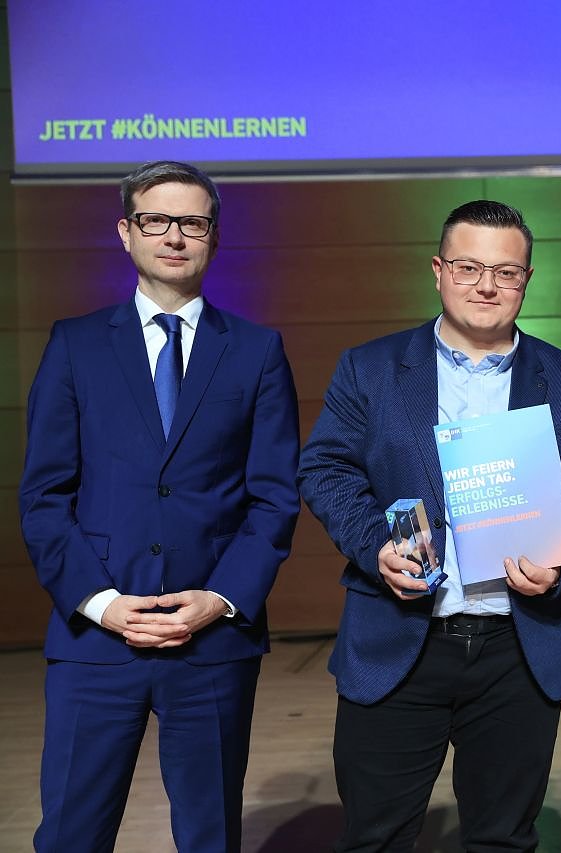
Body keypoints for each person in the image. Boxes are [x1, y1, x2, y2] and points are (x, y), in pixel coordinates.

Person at [298, 200, 561, 852]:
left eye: (505, 272)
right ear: (438, 270)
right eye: (468, 267)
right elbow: (325, 468)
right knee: (375, 839)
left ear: (526, 279)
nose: (486, 286)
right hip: (399, 638)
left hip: (518, 647)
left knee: (504, 839)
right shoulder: (370, 368)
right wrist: (375, 544)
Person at [19, 160, 301, 852]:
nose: (174, 236)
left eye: (192, 223)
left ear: (214, 237)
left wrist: (221, 599)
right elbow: (44, 496)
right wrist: (100, 603)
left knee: (210, 836)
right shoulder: (75, 344)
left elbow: (274, 498)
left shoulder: (257, 351)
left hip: (212, 641)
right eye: (156, 220)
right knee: (71, 835)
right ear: (126, 231)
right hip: (94, 641)